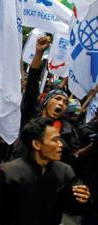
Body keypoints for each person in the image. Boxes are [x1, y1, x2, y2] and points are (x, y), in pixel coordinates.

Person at [0, 117, 92, 225]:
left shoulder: (64, 172)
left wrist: (84, 200)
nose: (61, 145)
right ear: (37, 144)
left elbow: (74, 209)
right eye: (55, 139)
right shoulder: (9, 173)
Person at [12, 36, 80, 170]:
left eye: (65, 102)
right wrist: (39, 53)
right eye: (57, 99)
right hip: (22, 176)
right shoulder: (30, 114)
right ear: (45, 101)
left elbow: (73, 160)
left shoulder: (68, 130)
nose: (61, 103)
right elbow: (32, 83)